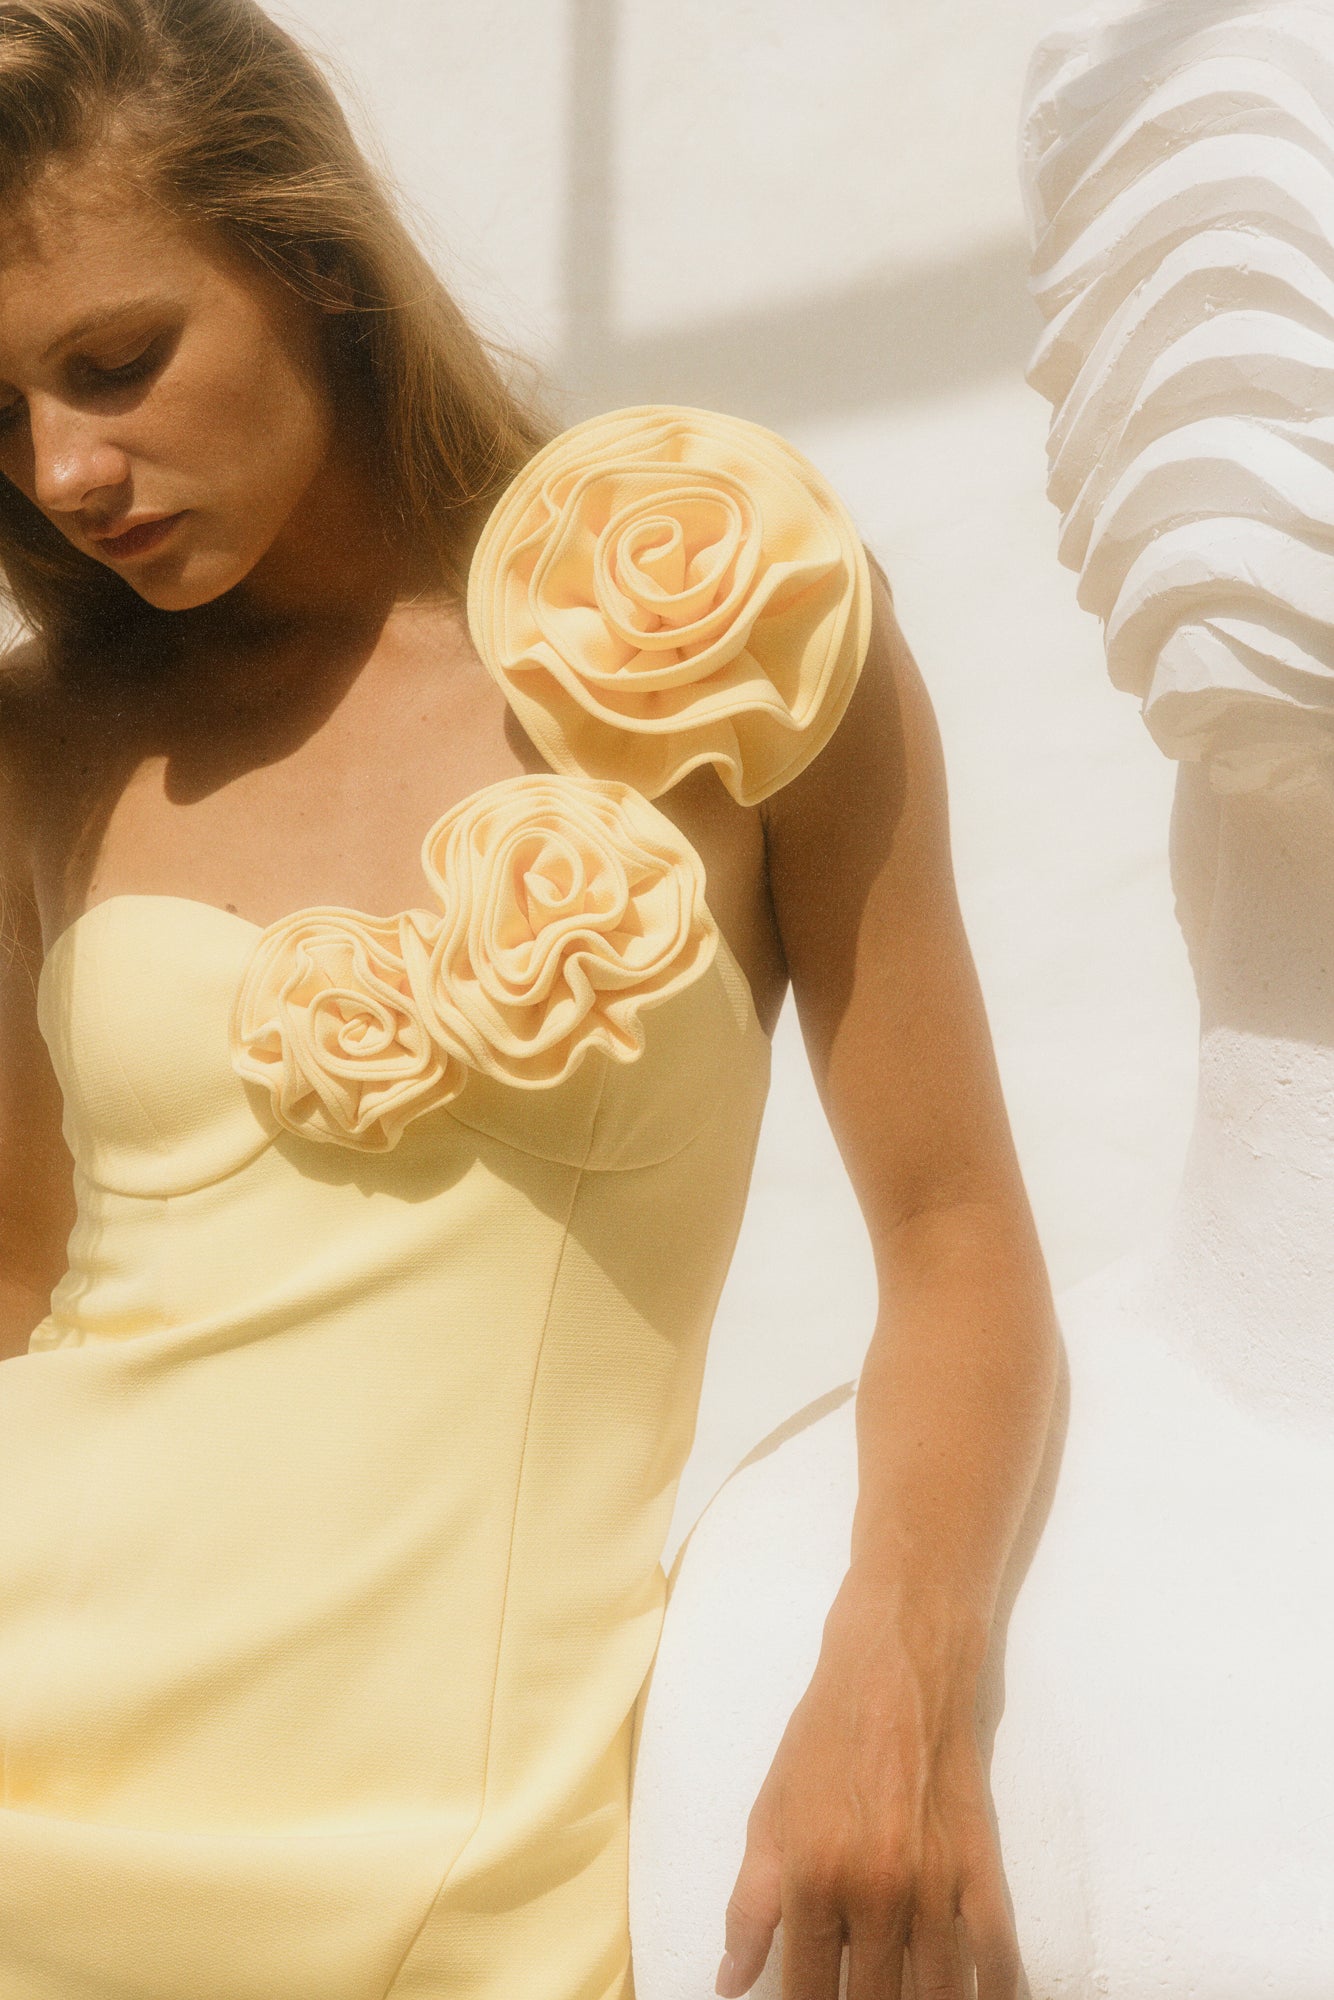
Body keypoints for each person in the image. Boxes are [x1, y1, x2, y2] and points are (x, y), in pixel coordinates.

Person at [0, 2, 1059, 1995]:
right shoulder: (42, 740)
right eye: (0, 415)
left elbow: (954, 1235)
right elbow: (18, 1287)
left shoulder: (705, 602)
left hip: (463, 1858)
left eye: (116, 362)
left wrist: (899, 1669)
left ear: (313, 263)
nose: (64, 469)